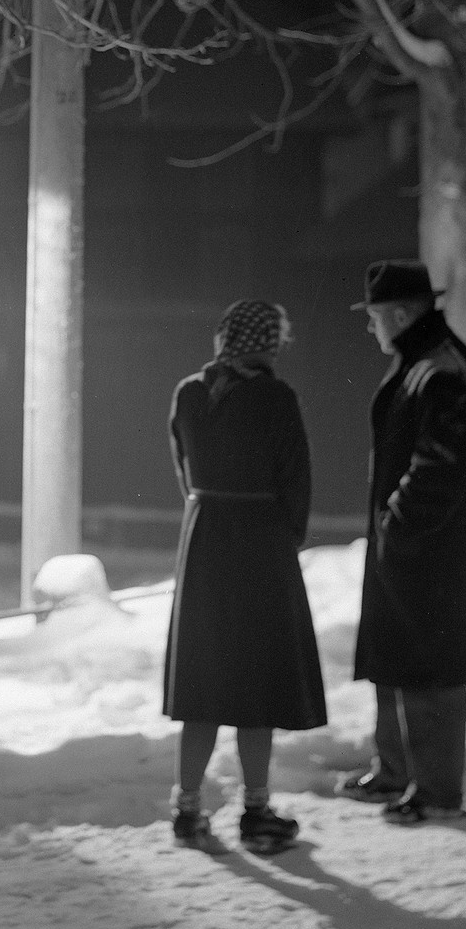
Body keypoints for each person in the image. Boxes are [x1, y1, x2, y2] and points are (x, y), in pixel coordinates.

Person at [334, 260, 466, 823]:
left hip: (433, 553)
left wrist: (398, 524)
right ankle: (396, 772)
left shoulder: (440, 370)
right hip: (417, 548)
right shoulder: (426, 361)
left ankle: (434, 789)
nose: (372, 328)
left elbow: (438, 466)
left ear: (402, 314)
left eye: (377, 316)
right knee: (398, 661)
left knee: (429, 669)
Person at [163, 299, 327, 854]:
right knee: (257, 684)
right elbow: (295, 479)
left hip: (205, 540)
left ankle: (187, 810)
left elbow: (184, 469)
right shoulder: (277, 398)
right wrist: (288, 538)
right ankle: (256, 811)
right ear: (268, 344)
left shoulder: (188, 392)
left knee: (203, 684)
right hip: (259, 543)